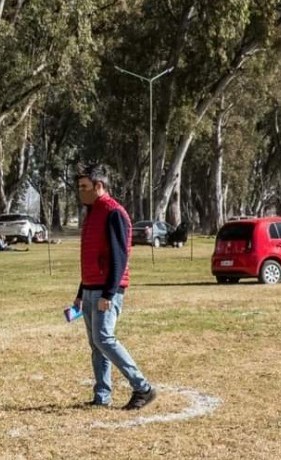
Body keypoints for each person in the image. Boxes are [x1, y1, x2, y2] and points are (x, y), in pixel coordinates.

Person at [74, 164, 156, 410]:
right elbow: (91, 257)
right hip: (90, 288)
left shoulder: (113, 212)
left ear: (99, 186)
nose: (81, 192)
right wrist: (80, 293)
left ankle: (143, 388)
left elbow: (120, 256)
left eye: (84, 187)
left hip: (106, 290)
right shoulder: (92, 213)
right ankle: (102, 396)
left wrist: (109, 293)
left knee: (104, 338)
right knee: (96, 344)